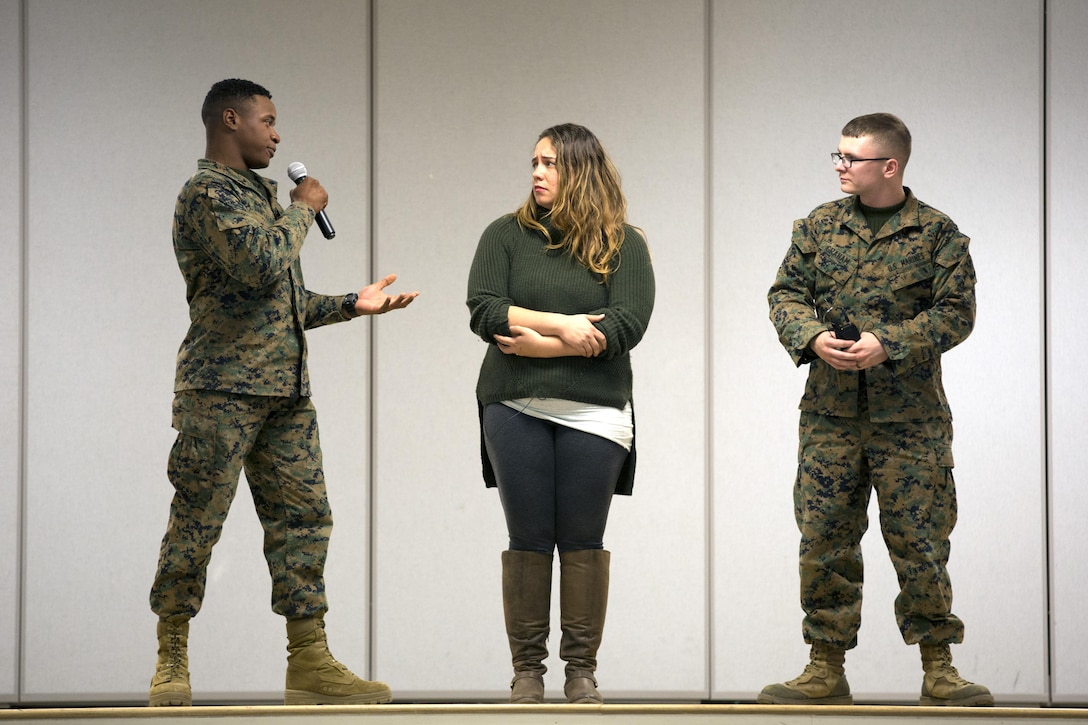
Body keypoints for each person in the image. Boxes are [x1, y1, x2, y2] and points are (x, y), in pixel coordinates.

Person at [148, 78, 418, 708]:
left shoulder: (264, 200)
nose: (276, 134)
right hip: (220, 390)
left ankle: (310, 660)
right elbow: (261, 264)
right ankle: (171, 655)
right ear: (230, 119)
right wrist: (306, 204)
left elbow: (285, 301)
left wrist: (354, 303)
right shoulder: (205, 194)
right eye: (267, 121)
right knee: (197, 521)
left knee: (303, 522)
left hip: (284, 393)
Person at [761, 112, 992, 707]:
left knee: (921, 541)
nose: (839, 166)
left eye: (850, 158)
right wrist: (811, 336)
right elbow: (785, 293)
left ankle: (939, 666)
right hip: (830, 417)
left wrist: (889, 344)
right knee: (824, 539)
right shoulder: (817, 227)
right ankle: (825, 666)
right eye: (836, 156)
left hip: (910, 421)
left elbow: (955, 314)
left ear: (888, 166)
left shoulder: (938, 235)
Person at [466, 123, 655, 705]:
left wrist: (539, 344)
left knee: (581, 538)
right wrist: (565, 326)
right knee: (527, 538)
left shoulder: (625, 244)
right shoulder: (504, 235)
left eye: (549, 163)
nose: (537, 173)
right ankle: (527, 673)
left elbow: (626, 324)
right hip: (513, 405)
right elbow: (484, 310)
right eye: (534, 162)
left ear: (579, 171)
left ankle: (580, 673)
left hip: (595, 412)